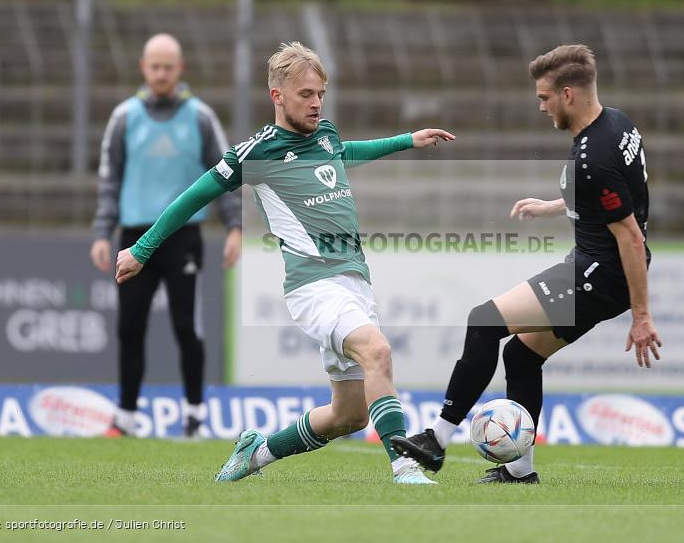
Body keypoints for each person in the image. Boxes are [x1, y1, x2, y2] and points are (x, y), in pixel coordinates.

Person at [115, 41, 455, 484]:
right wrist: (142, 249)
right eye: (305, 95)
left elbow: (346, 152)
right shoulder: (255, 153)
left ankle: (257, 453)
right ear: (277, 96)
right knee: (378, 351)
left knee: (347, 416)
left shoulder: (326, 134)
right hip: (314, 286)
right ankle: (405, 466)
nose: (316, 104)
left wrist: (407, 140)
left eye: (320, 95)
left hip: (354, 282)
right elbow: (194, 196)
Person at [391, 44, 662, 484]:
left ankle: (436, 440)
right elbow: (611, 197)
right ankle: (519, 471)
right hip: (599, 267)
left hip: (600, 272)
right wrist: (553, 206)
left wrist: (642, 315)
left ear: (568, 94)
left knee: (484, 321)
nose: (540, 106)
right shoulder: (618, 122)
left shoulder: (594, 154)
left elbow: (629, 235)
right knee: (520, 356)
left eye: (544, 97)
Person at [90, 33, 243, 438]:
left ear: (180, 69)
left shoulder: (200, 117)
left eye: (167, 66)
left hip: (183, 237)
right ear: (143, 68)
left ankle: (193, 415)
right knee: (130, 326)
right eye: (154, 66)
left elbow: (226, 173)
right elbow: (110, 179)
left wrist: (234, 226)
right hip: (134, 235)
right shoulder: (124, 116)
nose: (160, 73)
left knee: (186, 327)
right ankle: (124, 416)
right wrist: (103, 232)